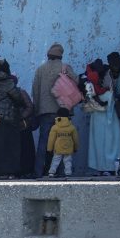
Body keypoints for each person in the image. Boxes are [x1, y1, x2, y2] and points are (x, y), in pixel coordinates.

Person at [31, 43, 77, 178]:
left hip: (45, 112)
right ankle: (61, 172)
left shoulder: (40, 69)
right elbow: (76, 82)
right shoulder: (65, 67)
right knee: (63, 141)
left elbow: (35, 91)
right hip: (63, 111)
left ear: (48, 55)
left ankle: (38, 171)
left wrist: (37, 110)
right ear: (60, 56)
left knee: (43, 142)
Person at [0, 59, 27, 179]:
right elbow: (18, 98)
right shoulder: (8, 82)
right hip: (7, 119)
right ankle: (9, 171)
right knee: (9, 146)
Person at [87, 59, 120, 175]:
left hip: (97, 118)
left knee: (98, 145)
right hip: (109, 119)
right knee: (111, 144)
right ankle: (111, 167)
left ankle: (100, 167)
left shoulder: (91, 87)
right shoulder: (108, 91)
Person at [47, 107, 79, 178]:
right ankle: (68, 173)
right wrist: (76, 148)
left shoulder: (55, 127)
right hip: (68, 147)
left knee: (55, 160)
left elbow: (51, 139)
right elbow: (75, 139)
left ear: (57, 115)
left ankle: (51, 172)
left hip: (58, 148)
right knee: (68, 161)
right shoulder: (72, 127)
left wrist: (49, 148)